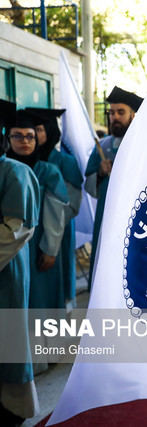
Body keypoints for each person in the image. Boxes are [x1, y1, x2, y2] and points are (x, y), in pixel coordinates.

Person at [0, 101, 41, 426]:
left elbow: (17, 228)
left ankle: (11, 409)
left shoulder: (15, 171)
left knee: (7, 339)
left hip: (5, 270)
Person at [6, 110, 68, 312]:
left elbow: (56, 213)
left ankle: (42, 344)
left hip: (40, 246)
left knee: (41, 304)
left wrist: (50, 249)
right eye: (17, 136)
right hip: (8, 248)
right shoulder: (6, 169)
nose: (25, 141)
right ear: (8, 138)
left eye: (30, 136)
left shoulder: (48, 171)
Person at [85, 86, 143, 284]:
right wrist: (100, 173)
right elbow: (89, 185)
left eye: (120, 112)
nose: (115, 117)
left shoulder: (142, 145)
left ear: (133, 115)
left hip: (133, 215)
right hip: (106, 215)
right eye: (111, 113)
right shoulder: (103, 146)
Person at [27, 107, 83, 305]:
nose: (34, 134)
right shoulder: (28, 162)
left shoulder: (64, 161)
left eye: (39, 129)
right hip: (33, 231)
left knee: (57, 279)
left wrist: (52, 223)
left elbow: (73, 202)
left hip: (59, 229)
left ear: (50, 131)